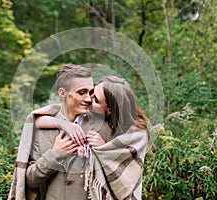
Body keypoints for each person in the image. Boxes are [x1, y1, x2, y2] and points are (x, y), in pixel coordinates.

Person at [35, 75, 149, 199]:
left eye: (96, 100)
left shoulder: (135, 134)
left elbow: (126, 177)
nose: (89, 99)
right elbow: (36, 119)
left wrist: (103, 149)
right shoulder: (88, 112)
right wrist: (64, 124)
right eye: (92, 93)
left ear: (109, 110)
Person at [8, 64, 112, 200]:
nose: (88, 99)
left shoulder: (104, 128)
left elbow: (117, 179)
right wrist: (54, 155)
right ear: (62, 93)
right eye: (81, 92)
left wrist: (103, 151)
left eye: (90, 92)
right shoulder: (40, 130)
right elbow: (29, 182)